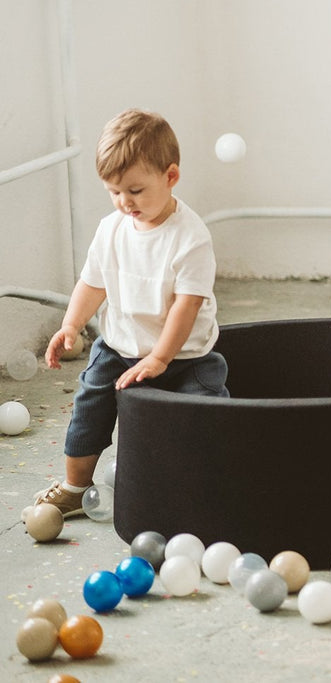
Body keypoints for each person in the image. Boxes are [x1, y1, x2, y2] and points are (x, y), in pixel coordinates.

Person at [33, 109, 229, 517]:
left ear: (171, 177)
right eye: (114, 191)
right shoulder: (113, 229)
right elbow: (93, 283)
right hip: (119, 346)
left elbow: (186, 306)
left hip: (184, 356)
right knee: (88, 409)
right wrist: (70, 324)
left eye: (136, 191)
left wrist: (160, 357)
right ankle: (74, 487)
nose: (125, 202)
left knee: (204, 416)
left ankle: (209, 484)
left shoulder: (190, 238)